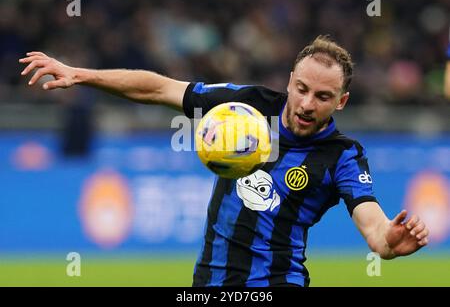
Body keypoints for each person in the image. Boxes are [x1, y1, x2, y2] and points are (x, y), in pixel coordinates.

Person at [19, 35, 429, 287]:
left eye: (322, 97)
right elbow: (160, 89)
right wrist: (81, 74)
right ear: (289, 80)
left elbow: (373, 223)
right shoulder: (246, 106)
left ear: (341, 101)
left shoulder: (342, 154)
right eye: (301, 89)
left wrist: (388, 242)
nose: (306, 104)